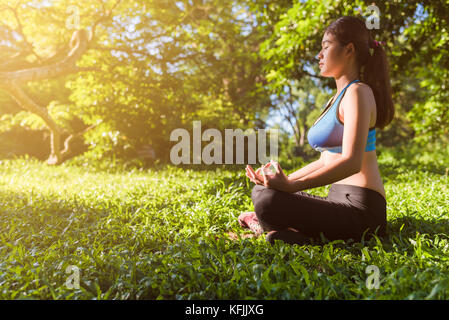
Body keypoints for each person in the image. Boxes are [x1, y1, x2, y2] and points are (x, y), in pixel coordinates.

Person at [240, 16, 395, 246]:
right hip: (337, 200)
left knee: (269, 202)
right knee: (263, 193)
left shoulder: (359, 93)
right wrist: (279, 181)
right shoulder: (337, 98)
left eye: (325, 47)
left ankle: (287, 233)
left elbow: (351, 162)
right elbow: (326, 160)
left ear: (349, 49)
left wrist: (291, 187)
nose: (318, 55)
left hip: (363, 210)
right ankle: (292, 235)